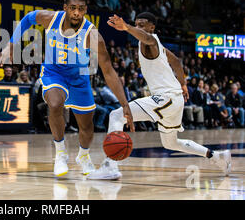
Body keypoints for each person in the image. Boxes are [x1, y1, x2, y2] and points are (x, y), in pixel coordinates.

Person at [0, 0, 134, 177]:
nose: (76, 12)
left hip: (79, 78)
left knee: (86, 125)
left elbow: (109, 71)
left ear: (86, 10)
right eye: (72, 8)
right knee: (54, 103)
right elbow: (29, 18)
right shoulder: (50, 19)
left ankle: (83, 156)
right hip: (54, 73)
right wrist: (10, 45)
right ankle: (60, 154)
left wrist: (125, 104)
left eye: (80, 9)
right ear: (65, 8)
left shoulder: (92, 35)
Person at [88, 12, 231, 180]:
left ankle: (110, 165)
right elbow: (176, 61)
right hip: (172, 99)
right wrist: (183, 84)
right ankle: (217, 156)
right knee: (170, 143)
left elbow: (147, 38)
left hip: (166, 98)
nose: (139, 27)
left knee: (117, 115)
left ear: (152, 27)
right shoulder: (157, 46)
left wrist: (127, 27)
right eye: (136, 24)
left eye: (142, 25)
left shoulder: (152, 41)